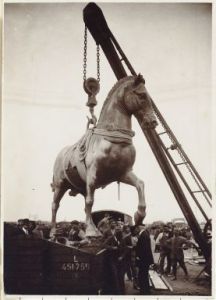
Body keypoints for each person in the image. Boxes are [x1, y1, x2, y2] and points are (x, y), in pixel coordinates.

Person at [135, 224, 154, 295]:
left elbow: (144, 249)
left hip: (143, 260)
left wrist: (139, 257)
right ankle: (145, 290)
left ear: (139, 227)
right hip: (145, 259)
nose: (135, 230)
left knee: (143, 275)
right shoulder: (144, 234)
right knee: (144, 274)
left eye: (136, 228)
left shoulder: (143, 235)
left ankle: (144, 291)